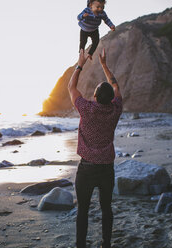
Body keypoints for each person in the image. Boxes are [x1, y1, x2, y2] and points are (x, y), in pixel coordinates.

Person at [67, 48, 122, 248]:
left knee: (83, 210)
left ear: (95, 96)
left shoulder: (86, 108)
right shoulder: (115, 109)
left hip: (87, 168)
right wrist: (105, 65)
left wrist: (80, 64)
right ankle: (105, 244)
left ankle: (81, 245)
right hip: (106, 168)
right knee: (106, 208)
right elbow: (115, 85)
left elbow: (71, 87)